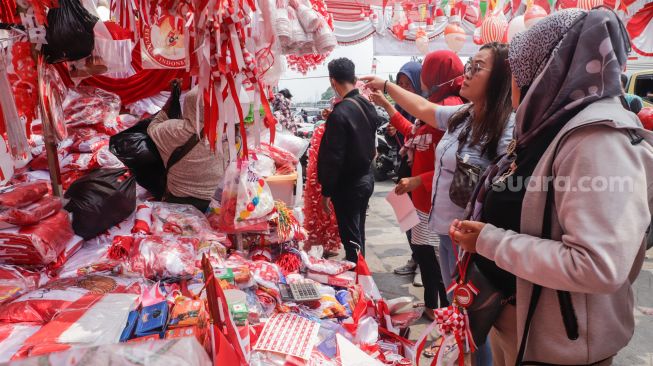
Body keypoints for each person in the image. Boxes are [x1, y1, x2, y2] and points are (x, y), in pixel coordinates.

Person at [450, 9, 653, 365]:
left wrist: (489, 240)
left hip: (560, 344)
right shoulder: (549, 127)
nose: (512, 83)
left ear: (544, 72)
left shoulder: (596, 140)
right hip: (519, 322)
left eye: (517, 72)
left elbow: (597, 265)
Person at [362, 42, 514, 363]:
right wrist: (387, 88)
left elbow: (510, 191)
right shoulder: (463, 115)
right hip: (445, 233)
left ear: (501, 77)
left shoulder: (506, 127)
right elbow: (422, 110)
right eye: (468, 65)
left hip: (472, 245)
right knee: (459, 317)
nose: (466, 75)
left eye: (476, 68)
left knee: (478, 323)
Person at [370, 51, 466, 319]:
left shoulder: (448, 107)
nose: (419, 81)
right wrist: (388, 105)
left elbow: (454, 164)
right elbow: (412, 132)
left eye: (424, 73)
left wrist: (417, 180)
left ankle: (444, 315)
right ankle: (433, 309)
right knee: (426, 258)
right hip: (424, 201)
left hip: (437, 203)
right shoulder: (433, 105)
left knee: (438, 264)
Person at [318, 58, 379, 263]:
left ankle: (358, 281)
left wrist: (326, 190)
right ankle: (361, 272)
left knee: (351, 238)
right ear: (353, 77)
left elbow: (334, 157)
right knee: (358, 232)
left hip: (348, 185)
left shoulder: (340, 112)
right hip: (366, 178)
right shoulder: (365, 105)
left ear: (332, 81)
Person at [148, 86, 225, 212]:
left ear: (189, 105)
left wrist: (170, 102)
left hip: (177, 201)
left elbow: (152, 128)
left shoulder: (175, 130)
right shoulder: (229, 133)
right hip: (215, 204)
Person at [388, 61, 423, 284]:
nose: (404, 88)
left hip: (421, 174)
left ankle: (424, 265)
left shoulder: (425, 107)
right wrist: (393, 132)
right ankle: (415, 258)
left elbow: (416, 135)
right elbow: (398, 143)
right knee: (407, 219)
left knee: (422, 223)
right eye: (399, 84)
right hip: (404, 170)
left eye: (407, 84)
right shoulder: (401, 108)